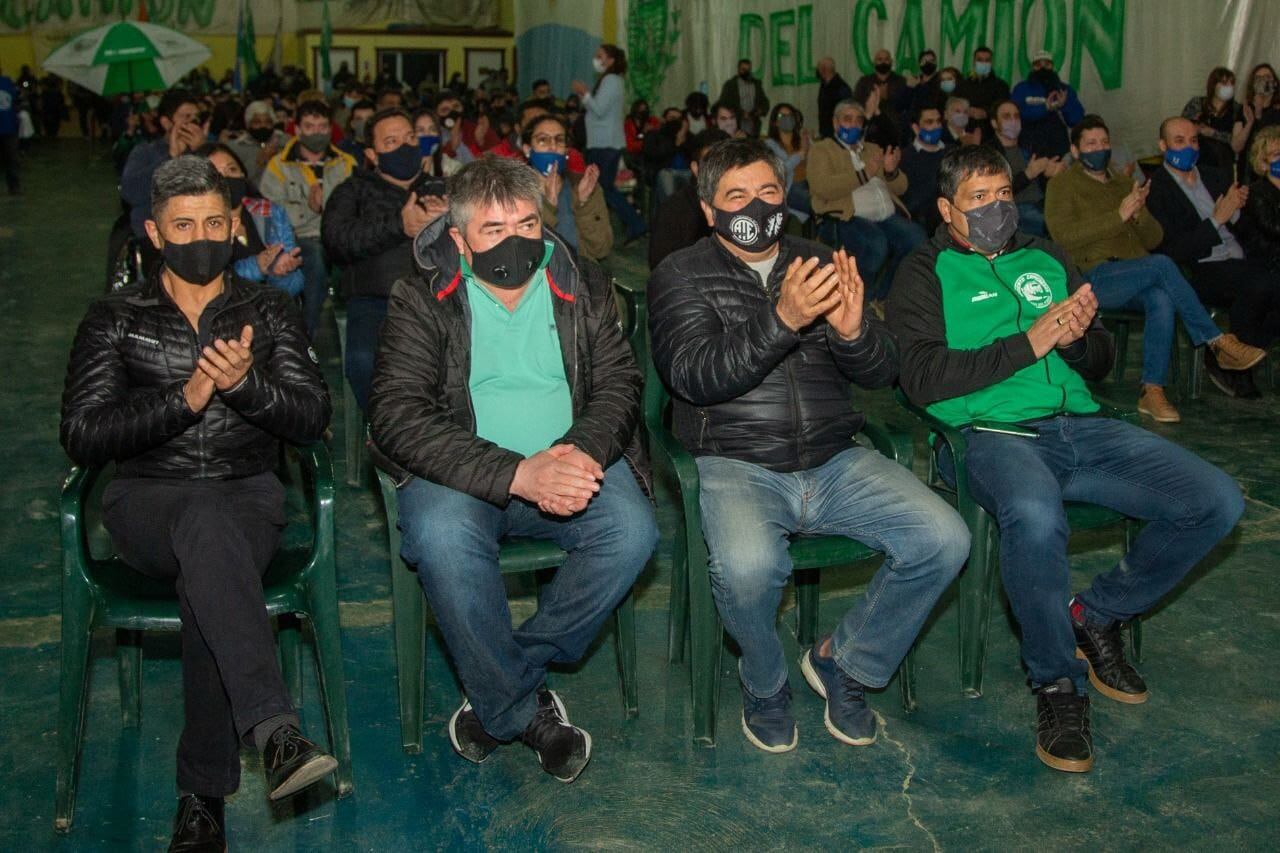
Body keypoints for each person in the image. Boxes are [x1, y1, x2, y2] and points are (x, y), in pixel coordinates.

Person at [891, 143, 1246, 774]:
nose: (998, 207)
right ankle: (1056, 686)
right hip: (991, 433)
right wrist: (1029, 342)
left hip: (1080, 425)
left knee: (1216, 500)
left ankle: (1097, 614)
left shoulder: (1045, 256)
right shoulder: (924, 272)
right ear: (947, 208)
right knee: (1035, 513)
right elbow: (919, 377)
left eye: (1004, 194)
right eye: (980, 199)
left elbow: (1103, 358)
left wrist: (1080, 343)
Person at [648, 137, 968, 753]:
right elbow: (693, 376)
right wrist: (783, 321)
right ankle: (764, 680)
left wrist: (853, 335)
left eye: (768, 192)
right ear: (709, 209)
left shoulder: (818, 257)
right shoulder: (679, 274)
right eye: (737, 195)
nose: (757, 205)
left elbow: (879, 372)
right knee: (748, 567)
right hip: (736, 461)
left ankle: (842, 661)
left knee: (945, 538)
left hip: (834, 456)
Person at [60, 155, 337, 849]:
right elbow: (84, 433)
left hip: (247, 499)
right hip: (146, 502)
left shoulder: (268, 309)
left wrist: (246, 388)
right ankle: (275, 731)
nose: (201, 235)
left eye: (214, 221)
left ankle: (202, 796)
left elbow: (311, 416)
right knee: (201, 531)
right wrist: (182, 401)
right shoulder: (114, 316)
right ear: (155, 232)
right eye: (183, 225)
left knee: (210, 555)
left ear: (235, 223)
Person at [369, 155, 656, 783]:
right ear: (459, 239)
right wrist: (517, 474)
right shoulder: (420, 298)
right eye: (494, 231)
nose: (517, 242)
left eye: (527, 223)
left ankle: (501, 682)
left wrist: (581, 449)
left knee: (632, 533)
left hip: (570, 461)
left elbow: (619, 384)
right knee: (441, 537)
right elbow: (395, 415)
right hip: (465, 477)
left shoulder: (582, 283)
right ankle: (526, 710)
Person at [1044, 115, 1265, 422]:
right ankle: (1217, 341)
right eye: (1091, 144)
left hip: (1136, 270)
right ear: (1076, 150)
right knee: (1162, 266)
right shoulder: (1062, 185)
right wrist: (1118, 216)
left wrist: (1139, 214)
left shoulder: (1124, 183)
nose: (1100, 148)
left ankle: (1152, 390)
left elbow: (1154, 238)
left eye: (1105, 142)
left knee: (1160, 296)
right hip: (1093, 276)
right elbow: (1062, 237)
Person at [322, 108, 448, 410]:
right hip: (377, 302)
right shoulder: (353, 190)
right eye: (391, 142)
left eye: (409, 138)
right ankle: (385, 430)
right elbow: (336, 242)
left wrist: (451, 220)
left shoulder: (442, 189)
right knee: (364, 362)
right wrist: (399, 226)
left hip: (439, 300)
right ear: (372, 154)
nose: (404, 147)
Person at [1146, 116, 1280, 398]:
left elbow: (1243, 229)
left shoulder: (1215, 175)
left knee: (1266, 284)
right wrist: (1216, 221)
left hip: (1239, 258)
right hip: (1200, 268)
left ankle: (1226, 358)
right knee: (1260, 284)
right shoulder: (1157, 190)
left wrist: (1237, 212)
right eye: (1179, 141)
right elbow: (1172, 250)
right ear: (1162, 145)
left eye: (1193, 140)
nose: (1188, 147)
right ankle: (1235, 368)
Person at [806, 99, 924, 304]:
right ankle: (860, 301)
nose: (853, 125)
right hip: (847, 217)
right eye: (847, 119)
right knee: (876, 245)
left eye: (858, 120)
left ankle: (883, 295)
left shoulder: (872, 149)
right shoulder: (822, 150)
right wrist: (864, 174)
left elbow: (901, 188)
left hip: (886, 215)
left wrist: (890, 171)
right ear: (835, 123)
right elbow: (822, 187)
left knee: (917, 240)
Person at [258, 100, 358, 336]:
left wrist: (329, 210)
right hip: (297, 237)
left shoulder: (346, 163)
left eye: (323, 127)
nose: (317, 133)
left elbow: (356, 206)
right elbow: (271, 211)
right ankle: (305, 335)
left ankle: (351, 336)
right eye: (310, 127)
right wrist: (309, 207)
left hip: (338, 236)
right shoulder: (279, 165)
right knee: (313, 258)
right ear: (298, 130)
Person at [200, 143, 305, 299]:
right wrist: (257, 266)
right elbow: (207, 284)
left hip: (272, 313)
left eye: (232, 170)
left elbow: (295, 286)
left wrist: (280, 273)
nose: (226, 178)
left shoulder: (270, 213)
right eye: (215, 174)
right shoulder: (196, 227)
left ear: (243, 174)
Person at [572, 44, 647, 243]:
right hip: (602, 142)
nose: (596, 59)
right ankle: (633, 223)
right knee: (605, 188)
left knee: (603, 188)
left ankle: (635, 223)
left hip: (605, 143)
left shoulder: (611, 80)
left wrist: (585, 93)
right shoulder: (609, 80)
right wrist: (585, 96)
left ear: (611, 60)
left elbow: (599, 109)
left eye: (600, 56)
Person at [524, 113, 611, 261]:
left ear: (566, 150)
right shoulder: (513, 193)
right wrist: (548, 207)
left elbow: (601, 250)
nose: (553, 147)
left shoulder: (583, 186)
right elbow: (526, 257)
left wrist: (584, 204)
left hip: (580, 278)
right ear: (528, 149)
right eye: (543, 140)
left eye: (559, 140)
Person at [121, 89, 205, 240]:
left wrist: (202, 152)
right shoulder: (145, 152)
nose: (194, 122)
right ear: (166, 123)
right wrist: (171, 158)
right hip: (156, 236)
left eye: (197, 117)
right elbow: (130, 192)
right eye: (187, 117)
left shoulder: (208, 150)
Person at [648, 129, 728, 269]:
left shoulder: (745, 203)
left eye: (725, 162)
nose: (719, 171)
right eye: (710, 163)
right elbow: (660, 268)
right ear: (696, 169)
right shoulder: (674, 210)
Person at [988, 99, 1065, 237]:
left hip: (1043, 203)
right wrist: (1028, 174)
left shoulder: (1030, 143)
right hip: (1014, 210)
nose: (1013, 120)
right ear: (994, 123)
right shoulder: (989, 153)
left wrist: (1050, 173)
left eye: (1016, 116)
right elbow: (994, 191)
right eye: (1006, 116)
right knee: (1057, 226)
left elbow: (1042, 177)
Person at [1012, 51, 1084, 158]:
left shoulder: (1064, 90)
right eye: (1038, 65)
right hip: (1028, 148)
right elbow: (1015, 114)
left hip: (1058, 148)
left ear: (1052, 66)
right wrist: (1045, 108)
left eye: (1047, 64)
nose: (1043, 68)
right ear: (1032, 67)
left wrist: (1064, 105)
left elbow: (1076, 120)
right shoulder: (1022, 89)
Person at [1181, 67, 1247, 172]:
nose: (1229, 87)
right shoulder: (1197, 103)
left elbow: (1236, 141)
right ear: (1213, 85)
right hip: (1195, 161)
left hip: (1222, 164)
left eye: (1231, 84)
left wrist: (1212, 133)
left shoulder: (1237, 109)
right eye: (1224, 83)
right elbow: (1181, 129)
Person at [1236, 125, 1280, 272]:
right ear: (1262, 164)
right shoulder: (1256, 193)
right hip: (1269, 262)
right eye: (1277, 154)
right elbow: (1274, 229)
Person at [899, 104, 948, 234]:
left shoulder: (951, 152)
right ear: (916, 128)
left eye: (938, 121)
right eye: (929, 122)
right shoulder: (905, 157)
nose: (936, 126)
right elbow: (910, 200)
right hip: (923, 218)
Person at [763, 103, 811, 217]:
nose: (787, 119)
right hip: (790, 189)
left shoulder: (801, 140)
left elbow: (815, 166)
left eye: (790, 116)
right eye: (782, 116)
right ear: (775, 122)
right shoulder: (769, 145)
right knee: (818, 205)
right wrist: (800, 154)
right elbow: (780, 171)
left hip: (809, 184)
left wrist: (810, 149)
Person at [226, 100, 288, 184]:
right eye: (257, 122)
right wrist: (258, 163)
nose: (263, 126)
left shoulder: (285, 142)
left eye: (268, 122)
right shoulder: (235, 148)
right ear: (248, 125)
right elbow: (236, 181)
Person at [853, 49, 907, 143]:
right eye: (879, 59)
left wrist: (885, 98)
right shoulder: (864, 82)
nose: (883, 62)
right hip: (869, 133)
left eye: (886, 59)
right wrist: (872, 102)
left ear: (891, 62)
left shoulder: (901, 81)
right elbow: (856, 105)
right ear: (874, 62)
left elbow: (903, 107)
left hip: (893, 132)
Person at [1237, 63, 1280, 178]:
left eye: (1267, 77)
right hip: (1248, 171)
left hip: (1274, 170)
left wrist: (1260, 115)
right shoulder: (1245, 109)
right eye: (1259, 78)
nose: (1263, 81)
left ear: (1275, 82)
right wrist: (1252, 119)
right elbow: (1237, 145)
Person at [717, 58, 770, 137]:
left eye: (748, 69)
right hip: (736, 120)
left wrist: (760, 110)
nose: (746, 72)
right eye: (743, 69)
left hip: (753, 120)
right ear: (738, 70)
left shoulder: (756, 84)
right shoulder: (730, 85)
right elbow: (724, 103)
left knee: (753, 145)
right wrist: (740, 112)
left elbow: (764, 101)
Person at [957, 45, 1011, 118]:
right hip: (966, 125)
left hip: (990, 126)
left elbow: (1003, 107)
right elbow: (955, 105)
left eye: (987, 60)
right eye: (979, 60)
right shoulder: (963, 85)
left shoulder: (1001, 85)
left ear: (991, 63)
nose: (983, 63)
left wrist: (985, 112)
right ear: (974, 61)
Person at [816, 57, 853, 140]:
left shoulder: (842, 88)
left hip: (838, 134)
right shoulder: (824, 86)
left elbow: (847, 112)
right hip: (826, 132)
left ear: (824, 69)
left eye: (819, 68)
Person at [337, 98, 376, 162]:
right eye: (359, 119)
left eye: (369, 119)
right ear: (353, 124)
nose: (365, 123)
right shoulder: (343, 149)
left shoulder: (383, 146)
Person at [0, 62, 19, 194]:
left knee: (11, 161)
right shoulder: (8, 82)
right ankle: (14, 188)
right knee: (11, 160)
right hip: (9, 128)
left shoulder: (7, 82)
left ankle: (14, 187)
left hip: (9, 128)